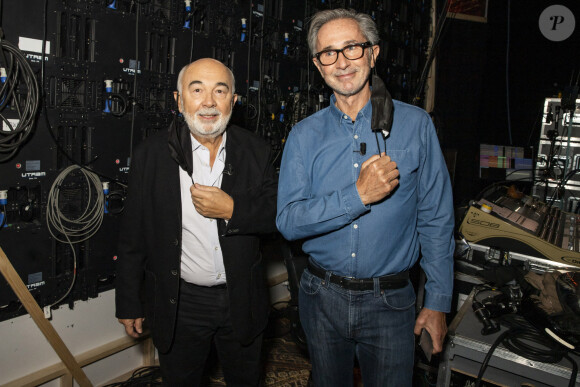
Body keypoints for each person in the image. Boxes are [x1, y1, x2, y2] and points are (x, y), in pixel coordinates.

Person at [276, 9, 454, 387]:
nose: (341, 62)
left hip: (391, 301)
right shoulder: (303, 136)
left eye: (352, 48)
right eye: (329, 53)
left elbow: (436, 219)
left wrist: (437, 301)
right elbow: (288, 222)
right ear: (317, 65)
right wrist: (357, 196)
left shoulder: (416, 125)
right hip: (320, 297)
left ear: (373, 54)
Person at [115, 58, 277, 386]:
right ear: (178, 100)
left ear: (233, 101)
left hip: (242, 300)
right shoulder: (150, 155)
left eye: (220, 91)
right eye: (197, 89)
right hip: (180, 304)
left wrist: (233, 209)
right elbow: (133, 234)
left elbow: (279, 216)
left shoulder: (257, 151)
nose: (208, 102)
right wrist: (129, 301)